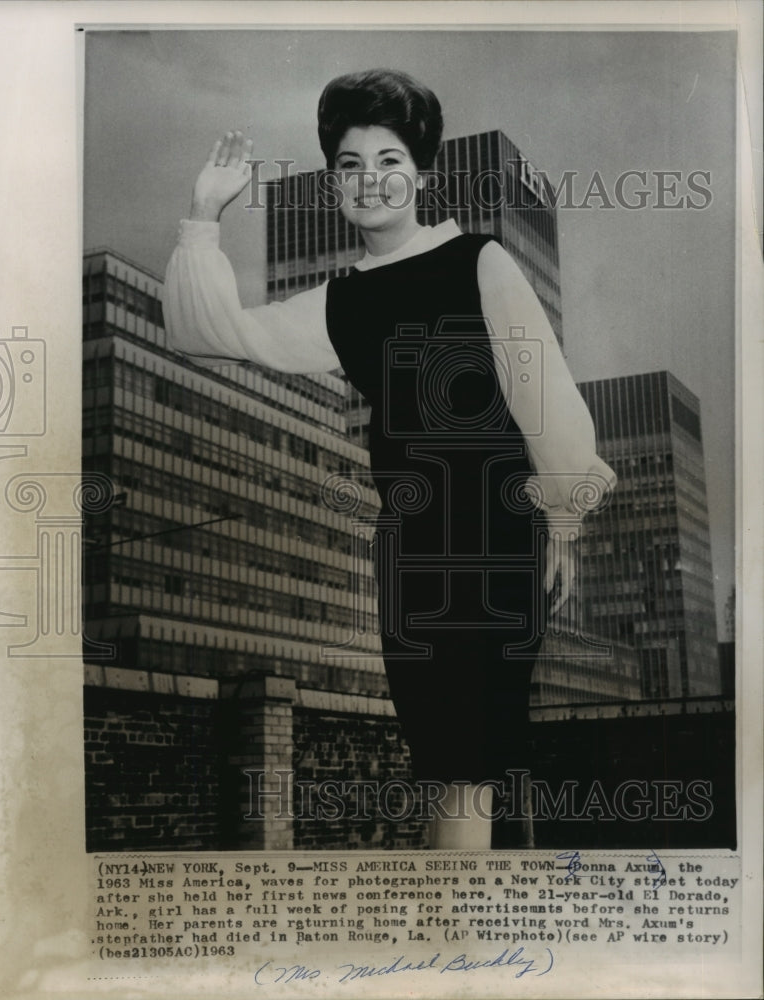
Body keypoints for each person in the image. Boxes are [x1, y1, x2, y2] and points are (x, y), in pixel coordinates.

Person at [164, 69, 616, 850]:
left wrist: (564, 526)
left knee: (470, 762)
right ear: (333, 180)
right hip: (410, 548)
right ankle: (454, 945)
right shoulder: (341, 302)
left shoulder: (481, 262)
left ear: (421, 172)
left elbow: (542, 397)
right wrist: (204, 216)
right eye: (349, 164)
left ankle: (457, 955)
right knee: (444, 764)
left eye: (389, 160)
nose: (369, 180)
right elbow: (214, 332)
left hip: (494, 536)